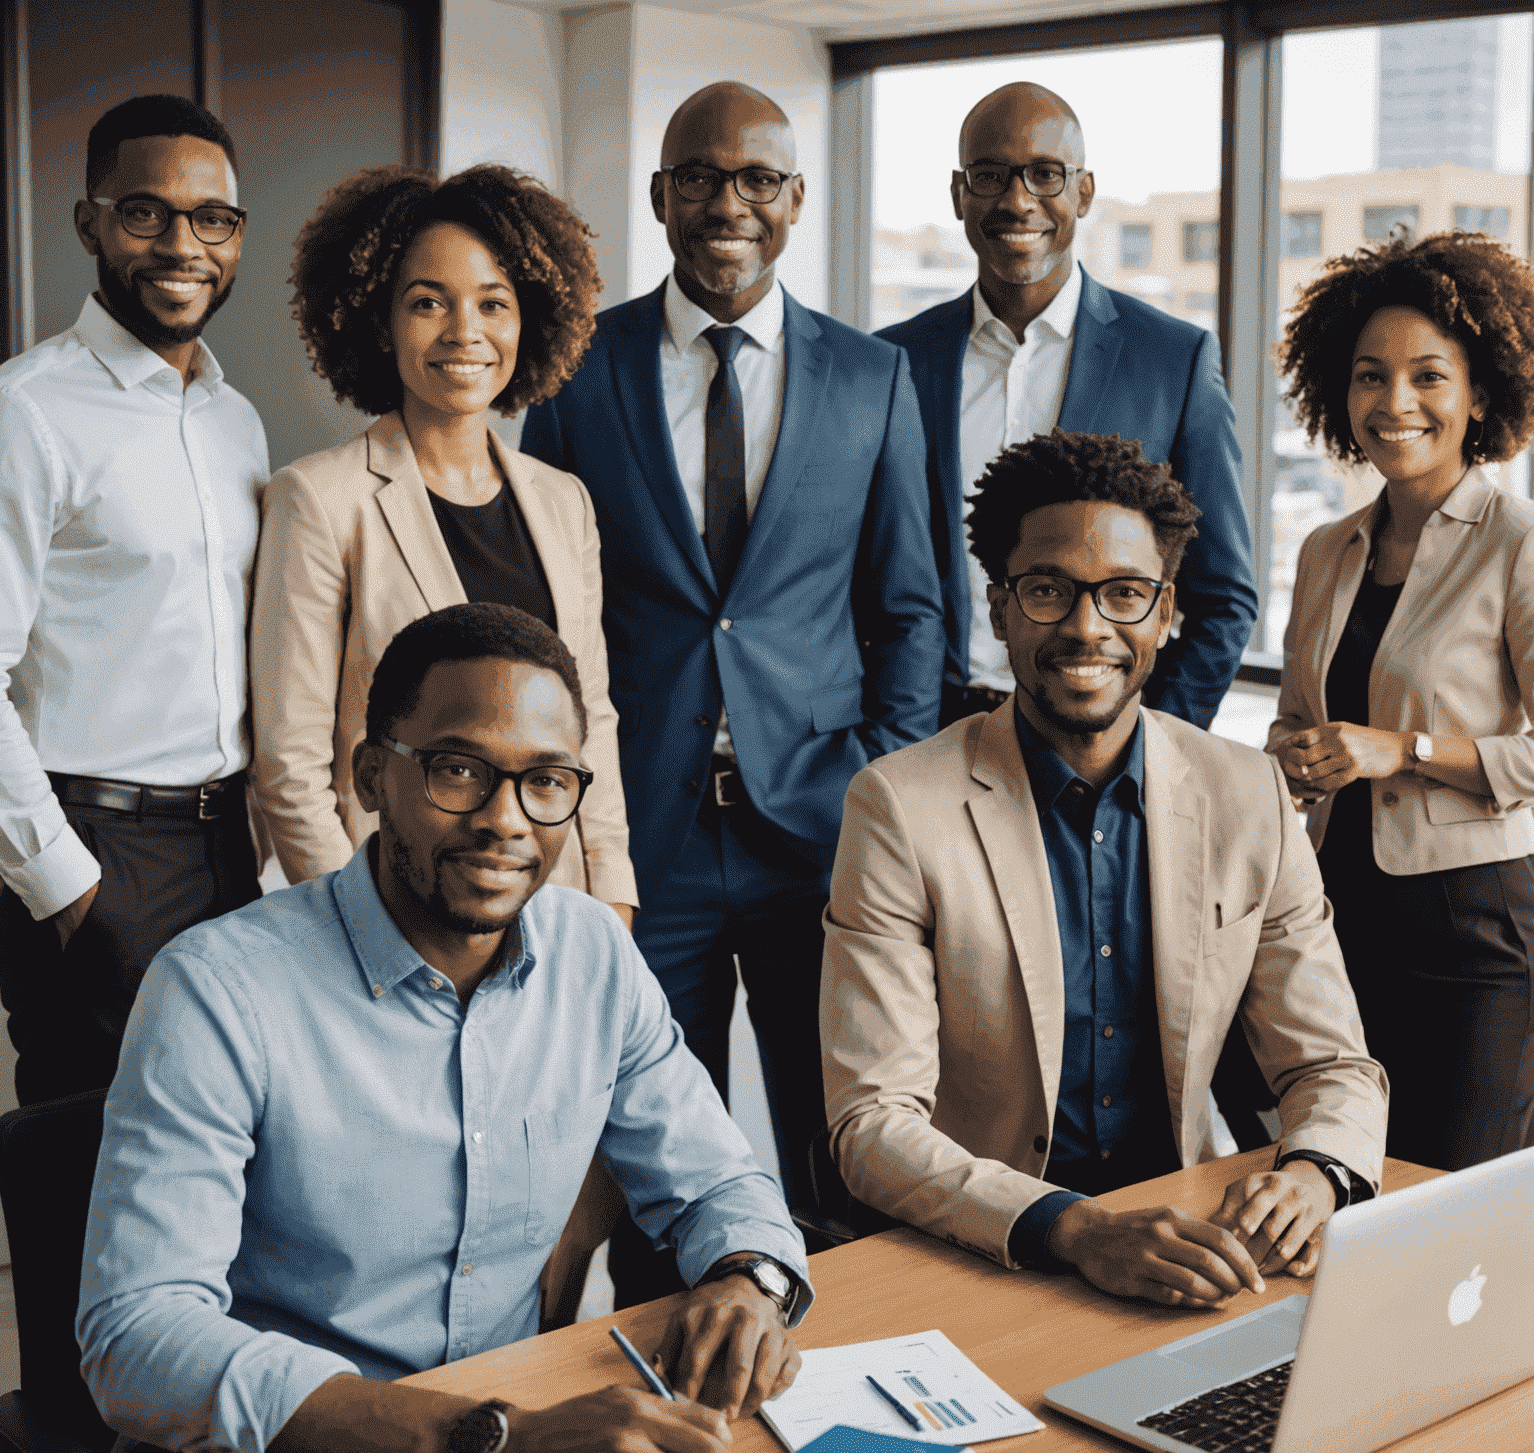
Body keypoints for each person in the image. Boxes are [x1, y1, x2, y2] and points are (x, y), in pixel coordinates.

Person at [79, 604, 810, 1453]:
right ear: (372, 775)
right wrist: (490, 1441)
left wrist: (750, 1278)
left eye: (546, 781)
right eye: (459, 771)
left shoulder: (593, 953)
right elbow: (137, 1340)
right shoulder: (216, 991)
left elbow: (719, 1181)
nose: (505, 821)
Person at [519, 81, 944, 1301]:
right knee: (657, 1137)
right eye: (700, 176)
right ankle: (660, 1391)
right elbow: (549, 609)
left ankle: (860, 1360)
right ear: (659, 197)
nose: (728, 202)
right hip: (642, 826)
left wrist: (878, 776)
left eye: (759, 179)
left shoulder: (870, 379)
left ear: (796, 201)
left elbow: (909, 607)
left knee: (845, 1133)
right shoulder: (574, 375)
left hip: (820, 828)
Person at [820, 431, 1387, 1309]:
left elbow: (1333, 1067)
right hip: (992, 1249)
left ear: (1166, 613)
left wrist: (1315, 1172)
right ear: (1001, 609)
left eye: (1124, 594)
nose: (1087, 627)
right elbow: (871, 1125)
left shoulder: (1248, 795)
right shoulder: (897, 806)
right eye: (1048, 591)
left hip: (1196, 1237)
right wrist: (1075, 1228)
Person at [251, 163, 636, 920]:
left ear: (529, 321)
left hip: (550, 908)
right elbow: (289, 766)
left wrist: (611, 894)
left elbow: (592, 715)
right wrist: (350, 931)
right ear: (379, 320)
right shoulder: (320, 501)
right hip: (393, 905)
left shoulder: (564, 503)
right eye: (428, 303)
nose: (466, 332)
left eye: (493, 303)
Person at [0, 94, 266, 1105]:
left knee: (220, 1166)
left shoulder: (235, 421)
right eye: (145, 213)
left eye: (213, 219)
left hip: (228, 852)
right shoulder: (27, 413)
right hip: (99, 844)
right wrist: (66, 887)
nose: (182, 244)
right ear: (90, 225)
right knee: (89, 1173)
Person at [1269, 232, 1534, 1172]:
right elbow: (1301, 718)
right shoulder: (1325, 548)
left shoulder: (1515, 542)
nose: (1396, 404)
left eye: (1429, 377)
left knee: (1462, 1194)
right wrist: (1291, 757)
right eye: (1370, 377)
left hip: (1473, 925)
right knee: (1351, 1177)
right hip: (1337, 912)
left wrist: (1405, 751)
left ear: (1479, 394)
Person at [878, 83, 1257, 733]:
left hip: (1101, 732)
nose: (1017, 199)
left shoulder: (1173, 360)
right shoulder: (893, 361)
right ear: (959, 194)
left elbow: (1224, 597)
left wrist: (1149, 738)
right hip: (928, 733)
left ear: (1083, 192)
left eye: (1045, 174)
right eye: (990, 175)